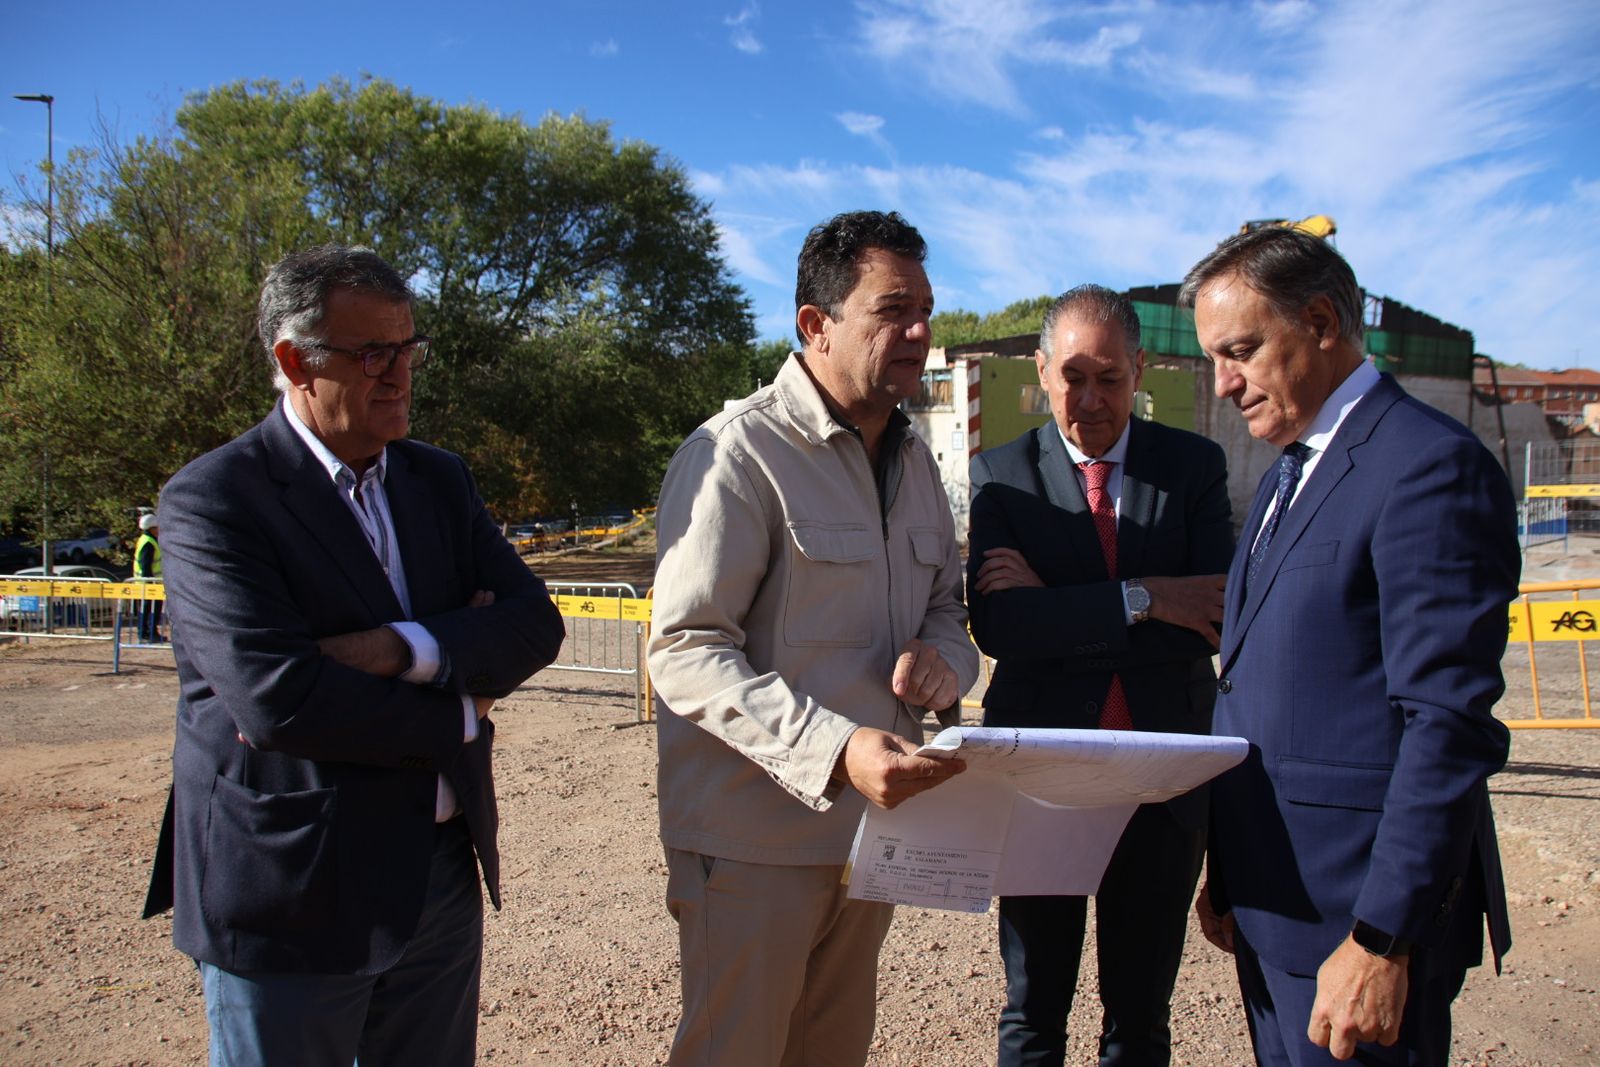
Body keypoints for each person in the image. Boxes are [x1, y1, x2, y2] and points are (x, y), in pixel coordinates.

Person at [141, 244, 565, 1066]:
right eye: (373, 354)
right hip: (294, 888)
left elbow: (534, 625)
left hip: (438, 876)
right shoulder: (214, 500)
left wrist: (394, 649)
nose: (400, 375)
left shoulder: (438, 480)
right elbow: (279, 699)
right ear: (294, 361)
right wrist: (460, 703)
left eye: (409, 350)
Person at [647, 209, 981, 1067]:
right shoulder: (737, 454)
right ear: (815, 323)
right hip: (752, 843)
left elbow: (947, 601)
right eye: (894, 309)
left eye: (927, 310)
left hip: (868, 840)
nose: (920, 332)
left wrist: (946, 662)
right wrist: (836, 749)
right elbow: (685, 648)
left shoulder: (913, 464)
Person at [1179, 228, 1518, 1065]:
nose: (1225, 385)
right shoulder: (1284, 477)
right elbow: (1264, 684)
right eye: (1215, 359)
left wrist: (1382, 937)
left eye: (1241, 352)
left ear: (1324, 322)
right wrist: (1230, 866)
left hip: (1354, 927)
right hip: (1274, 906)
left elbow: (1446, 725)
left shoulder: (1428, 467)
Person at [967, 285, 1234, 1066]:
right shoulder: (1001, 475)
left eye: (1110, 378)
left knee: (1141, 1018)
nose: (1089, 398)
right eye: (1073, 375)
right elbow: (1002, 627)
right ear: (1042, 372)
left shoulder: (1193, 468)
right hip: (1044, 777)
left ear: (1140, 370)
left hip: (1163, 779)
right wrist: (1148, 598)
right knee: (1033, 1011)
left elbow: (1213, 613)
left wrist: (1063, 607)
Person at [132, 512, 163, 642]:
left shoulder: (146, 539)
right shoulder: (148, 543)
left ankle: (147, 633)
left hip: (148, 583)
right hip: (149, 583)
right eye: (157, 527)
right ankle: (148, 634)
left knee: (148, 610)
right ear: (152, 528)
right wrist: (150, 582)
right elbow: (146, 565)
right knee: (150, 611)